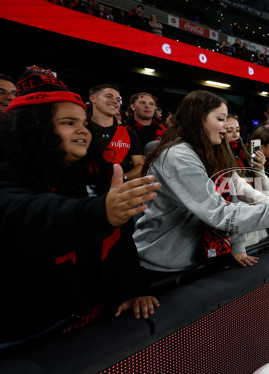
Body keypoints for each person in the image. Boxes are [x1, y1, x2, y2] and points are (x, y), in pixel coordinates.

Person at [0, 66, 161, 348]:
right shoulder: (8, 169)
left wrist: (134, 289)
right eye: (68, 123)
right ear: (34, 127)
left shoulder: (95, 170)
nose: (83, 131)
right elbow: (22, 215)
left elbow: (120, 241)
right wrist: (100, 212)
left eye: (84, 124)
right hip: (31, 336)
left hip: (92, 320)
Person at [134, 91, 269, 278]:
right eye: (221, 120)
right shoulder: (178, 156)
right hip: (160, 267)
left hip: (197, 259)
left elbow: (236, 194)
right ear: (199, 119)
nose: (226, 128)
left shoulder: (211, 152)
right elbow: (219, 212)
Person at [88, 84, 144, 180]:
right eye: (109, 96)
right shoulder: (82, 130)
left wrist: (122, 178)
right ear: (93, 99)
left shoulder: (130, 134)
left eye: (118, 100)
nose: (115, 101)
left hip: (119, 192)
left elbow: (140, 165)